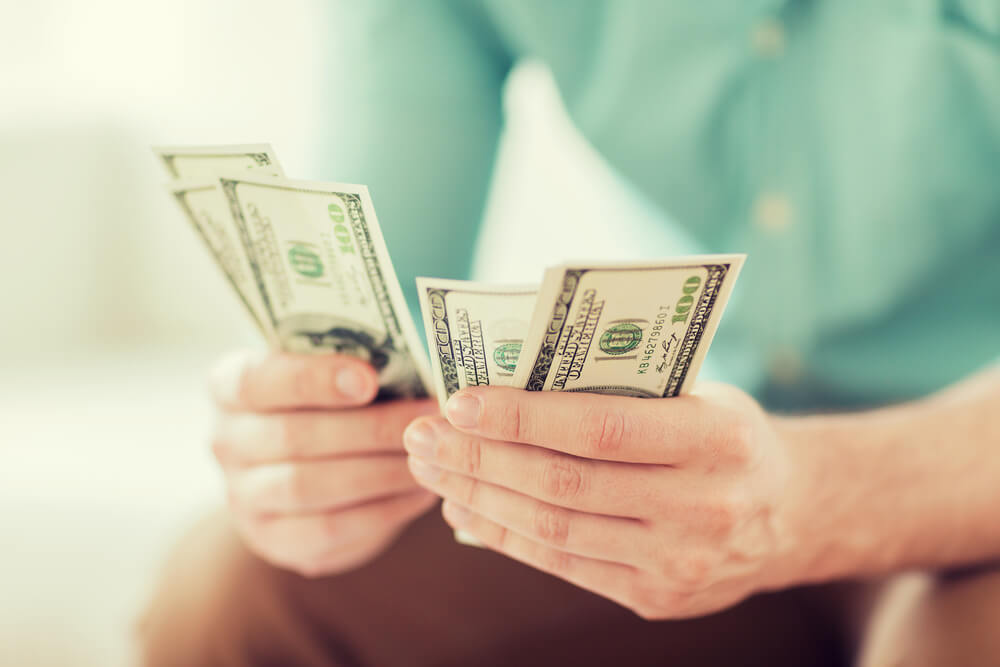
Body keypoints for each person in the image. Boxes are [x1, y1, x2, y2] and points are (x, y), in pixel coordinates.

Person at [141, 2, 1000, 665]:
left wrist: (806, 502)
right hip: (721, 450)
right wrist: (311, 450)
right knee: (230, 600)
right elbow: (371, 317)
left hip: (971, 479)